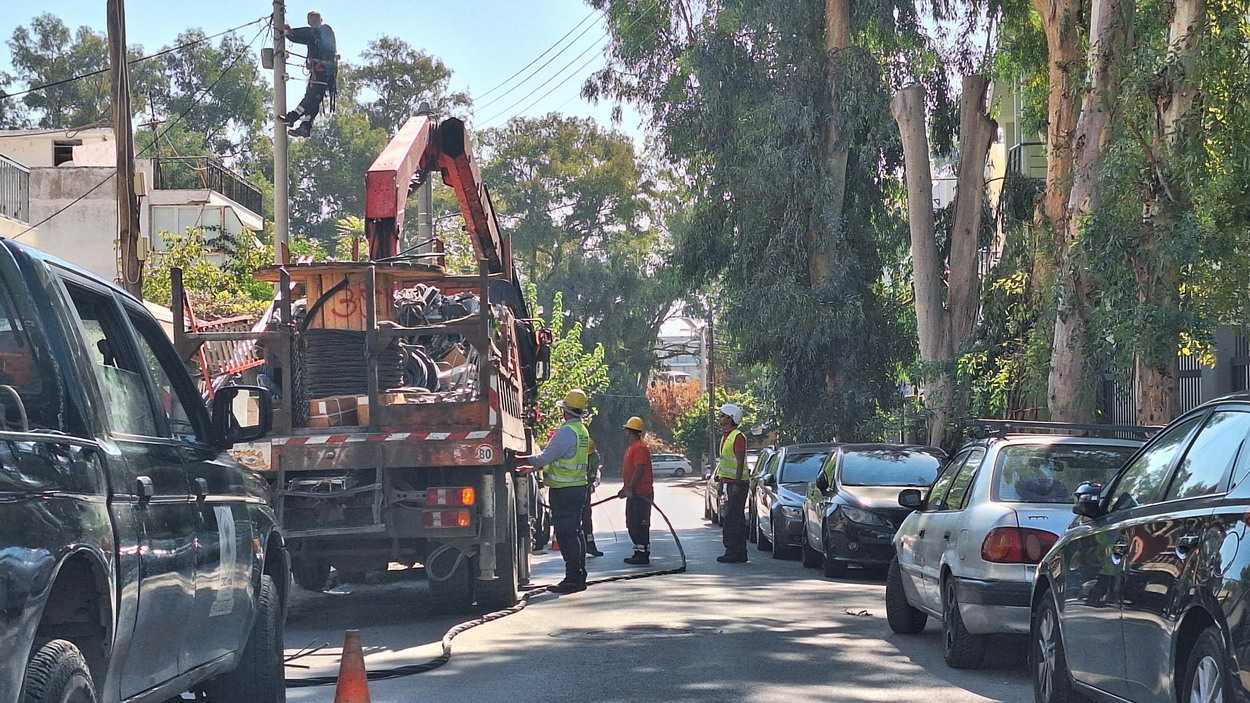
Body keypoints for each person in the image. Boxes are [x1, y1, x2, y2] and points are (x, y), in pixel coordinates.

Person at [517, 389, 593, 594]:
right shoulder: (581, 431)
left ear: (565, 411)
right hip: (577, 488)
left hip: (564, 490)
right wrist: (534, 467)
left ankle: (573, 578)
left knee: (566, 533)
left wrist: (523, 460)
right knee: (575, 532)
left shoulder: (566, 432)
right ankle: (579, 575)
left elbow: (545, 457)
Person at [280, 11, 337, 138]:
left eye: (317, 19)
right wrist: (290, 35)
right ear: (309, 21)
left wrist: (290, 32)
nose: (315, 22)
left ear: (321, 20)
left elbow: (307, 34)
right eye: (313, 20)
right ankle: (305, 127)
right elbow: (306, 36)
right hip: (322, 73)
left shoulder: (323, 30)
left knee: (311, 98)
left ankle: (292, 117)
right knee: (314, 100)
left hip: (322, 72)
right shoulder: (316, 35)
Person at [618, 416, 654, 565]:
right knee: (632, 523)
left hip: (642, 494)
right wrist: (625, 489)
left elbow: (639, 470)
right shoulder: (632, 448)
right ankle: (638, 551)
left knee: (640, 524)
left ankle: (643, 553)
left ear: (629, 431)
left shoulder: (639, 448)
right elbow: (631, 472)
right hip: (634, 493)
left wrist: (631, 488)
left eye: (626, 430)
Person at [716, 403, 749, 563]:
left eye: (723, 416)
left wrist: (736, 484)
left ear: (730, 419)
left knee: (732, 518)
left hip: (738, 484)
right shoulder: (726, 436)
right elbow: (724, 463)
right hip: (729, 483)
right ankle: (739, 552)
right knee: (734, 517)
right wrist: (721, 483)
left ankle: (733, 551)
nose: (720, 418)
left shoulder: (738, 436)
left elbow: (740, 462)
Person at [584, 438, 604, 557]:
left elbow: (595, 472)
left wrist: (593, 483)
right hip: (576, 487)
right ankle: (581, 546)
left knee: (586, 517)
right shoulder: (578, 455)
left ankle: (589, 544)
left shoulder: (595, 455)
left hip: (585, 488)